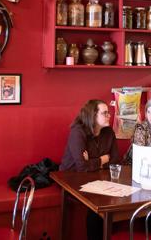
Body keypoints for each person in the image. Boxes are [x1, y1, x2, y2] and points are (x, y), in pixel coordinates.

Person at [60, 99, 120, 240]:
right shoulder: (78, 132)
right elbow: (81, 167)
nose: (109, 115)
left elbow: (115, 160)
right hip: (71, 178)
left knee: (113, 201)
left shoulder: (108, 132)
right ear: (93, 116)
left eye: (108, 113)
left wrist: (91, 162)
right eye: (105, 113)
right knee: (96, 204)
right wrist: (102, 160)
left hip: (97, 177)